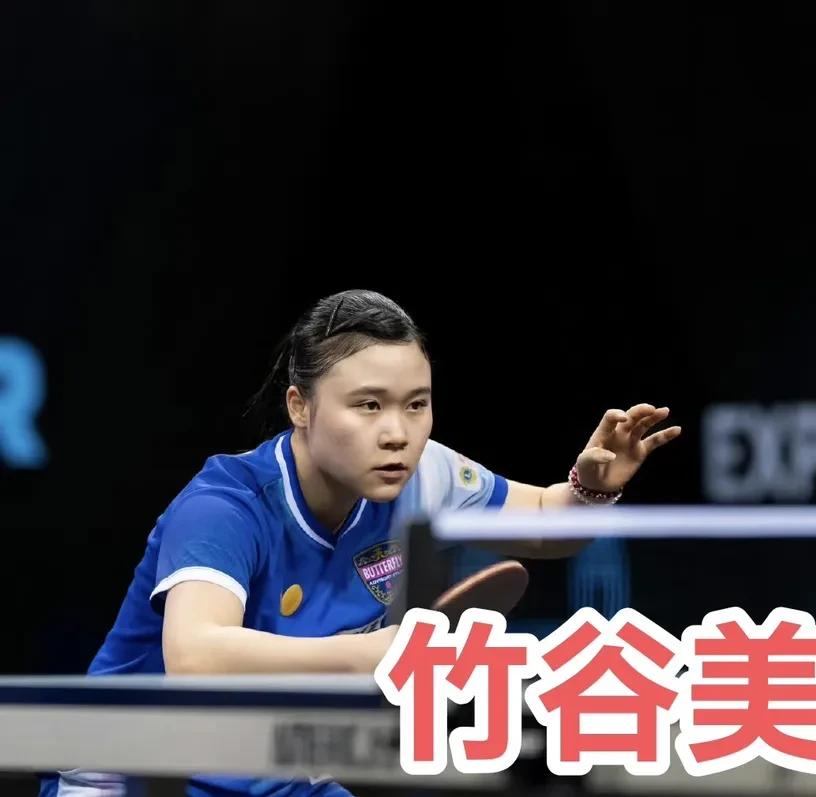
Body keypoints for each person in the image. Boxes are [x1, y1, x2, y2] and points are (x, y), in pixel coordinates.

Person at [39, 289, 680, 797]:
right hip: (137, 772)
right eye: (368, 405)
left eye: (416, 404)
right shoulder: (225, 508)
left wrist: (591, 489)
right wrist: (373, 654)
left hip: (271, 769)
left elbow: (541, 522)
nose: (397, 432)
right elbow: (194, 656)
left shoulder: (422, 474)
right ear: (300, 406)